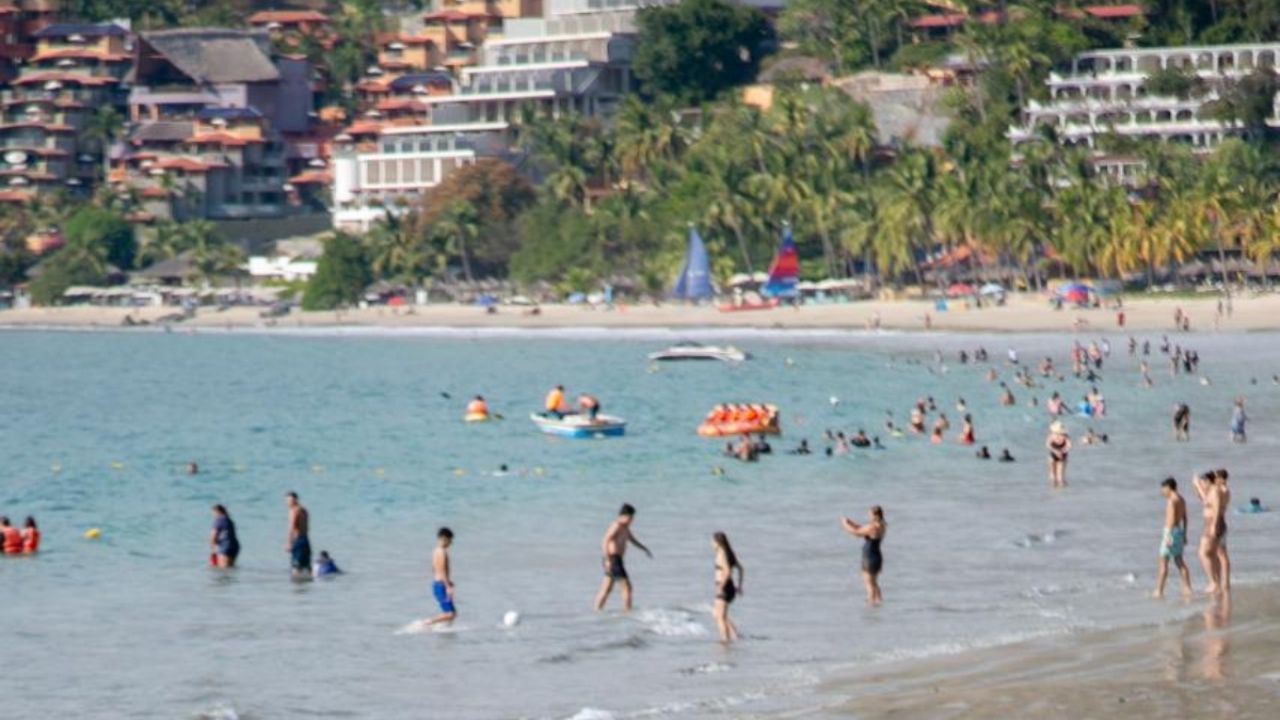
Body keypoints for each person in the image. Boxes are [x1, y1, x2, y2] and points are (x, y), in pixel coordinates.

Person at [594, 504, 652, 611]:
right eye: (630, 518)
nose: (631, 521)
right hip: (613, 559)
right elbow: (605, 540)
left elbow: (633, 540)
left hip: (617, 560)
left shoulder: (625, 528)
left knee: (607, 588)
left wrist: (644, 548)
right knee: (627, 587)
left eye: (632, 518)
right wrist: (607, 559)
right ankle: (627, 612)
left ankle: (597, 611)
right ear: (622, 516)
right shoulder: (616, 525)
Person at [1153, 478, 1194, 599]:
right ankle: (1187, 588)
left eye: (1163, 489)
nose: (1162, 492)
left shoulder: (1171, 501)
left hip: (1170, 532)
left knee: (1163, 562)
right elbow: (1185, 518)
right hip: (1179, 531)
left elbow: (1170, 520)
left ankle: (1159, 590)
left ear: (1169, 488)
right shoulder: (1181, 499)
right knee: (1179, 560)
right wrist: (1184, 534)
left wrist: (1168, 536)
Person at [841, 507, 886, 606]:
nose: (868, 516)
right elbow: (861, 528)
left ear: (875, 515)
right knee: (874, 583)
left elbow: (856, 533)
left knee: (869, 583)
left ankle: (871, 604)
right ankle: (879, 603)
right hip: (875, 555)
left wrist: (844, 524)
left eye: (870, 514)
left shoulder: (873, 527)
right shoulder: (881, 525)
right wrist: (851, 522)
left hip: (870, 557)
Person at [1193, 471, 1227, 594]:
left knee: (1202, 553)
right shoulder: (1210, 492)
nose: (1202, 485)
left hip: (1213, 524)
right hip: (1210, 524)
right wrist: (1196, 485)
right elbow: (1203, 499)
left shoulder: (1215, 491)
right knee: (1212, 554)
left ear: (1208, 481)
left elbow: (1217, 508)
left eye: (1203, 483)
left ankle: (1213, 582)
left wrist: (1214, 525)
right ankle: (1216, 582)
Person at [711, 532, 744, 643]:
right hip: (730, 588)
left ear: (718, 543)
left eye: (712, 541)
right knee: (718, 614)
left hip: (724, 587)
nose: (711, 544)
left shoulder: (721, 555)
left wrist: (721, 586)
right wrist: (739, 586)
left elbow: (728, 571)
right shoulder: (729, 553)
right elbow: (741, 569)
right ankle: (735, 635)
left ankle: (725, 641)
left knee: (719, 617)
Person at [426, 528, 457, 626]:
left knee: (451, 613)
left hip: (438, 584)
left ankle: (440, 629)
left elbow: (434, 569)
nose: (451, 543)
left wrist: (447, 581)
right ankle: (426, 624)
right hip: (441, 586)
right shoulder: (442, 552)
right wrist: (447, 586)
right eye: (450, 540)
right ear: (444, 538)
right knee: (450, 614)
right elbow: (442, 570)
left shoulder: (435, 551)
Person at [285, 492, 311, 578]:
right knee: (306, 566)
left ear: (295, 500)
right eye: (287, 501)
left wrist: (289, 542)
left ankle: (295, 585)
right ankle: (307, 585)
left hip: (298, 540)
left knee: (296, 567)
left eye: (290, 501)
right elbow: (307, 527)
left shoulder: (293, 511)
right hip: (305, 540)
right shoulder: (304, 510)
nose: (288, 503)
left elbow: (292, 527)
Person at [209, 504, 240, 568]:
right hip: (234, 546)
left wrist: (212, 548)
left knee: (223, 569)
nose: (213, 516)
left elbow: (213, 536)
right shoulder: (229, 520)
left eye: (213, 513)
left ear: (217, 512)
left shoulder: (219, 520)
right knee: (230, 568)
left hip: (225, 547)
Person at [1046, 421, 1071, 488]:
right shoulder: (1065, 436)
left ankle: (1054, 488)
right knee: (1059, 475)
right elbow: (1069, 446)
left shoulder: (1052, 435)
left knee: (1054, 474)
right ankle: (1061, 488)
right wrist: (1061, 451)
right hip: (1061, 454)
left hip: (1054, 453)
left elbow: (1048, 445)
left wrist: (1056, 451)